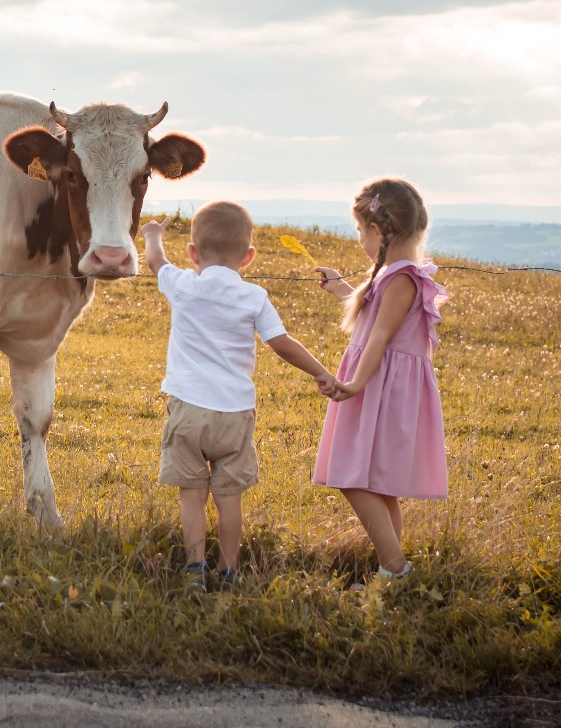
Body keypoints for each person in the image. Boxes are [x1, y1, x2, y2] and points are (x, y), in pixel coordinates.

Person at [142, 202, 340, 590]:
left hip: (188, 409)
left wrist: (152, 234)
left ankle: (195, 568)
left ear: (193, 254)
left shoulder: (183, 284)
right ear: (249, 257)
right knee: (229, 497)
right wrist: (321, 372)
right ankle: (229, 570)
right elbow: (282, 344)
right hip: (235, 413)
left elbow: (154, 261)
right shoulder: (254, 297)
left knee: (192, 494)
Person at [310, 177, 449, 584]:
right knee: (376, 481)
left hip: (379, 386)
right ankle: (391, 567)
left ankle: (395, 567)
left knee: (348, 475)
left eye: (359, 231)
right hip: (381, 382)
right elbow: (377, 318)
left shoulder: (402, 278)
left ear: (376, 230)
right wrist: (342, 289)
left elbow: (382, 336)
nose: (359, 241)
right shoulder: (395, 275)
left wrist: (353, 384)